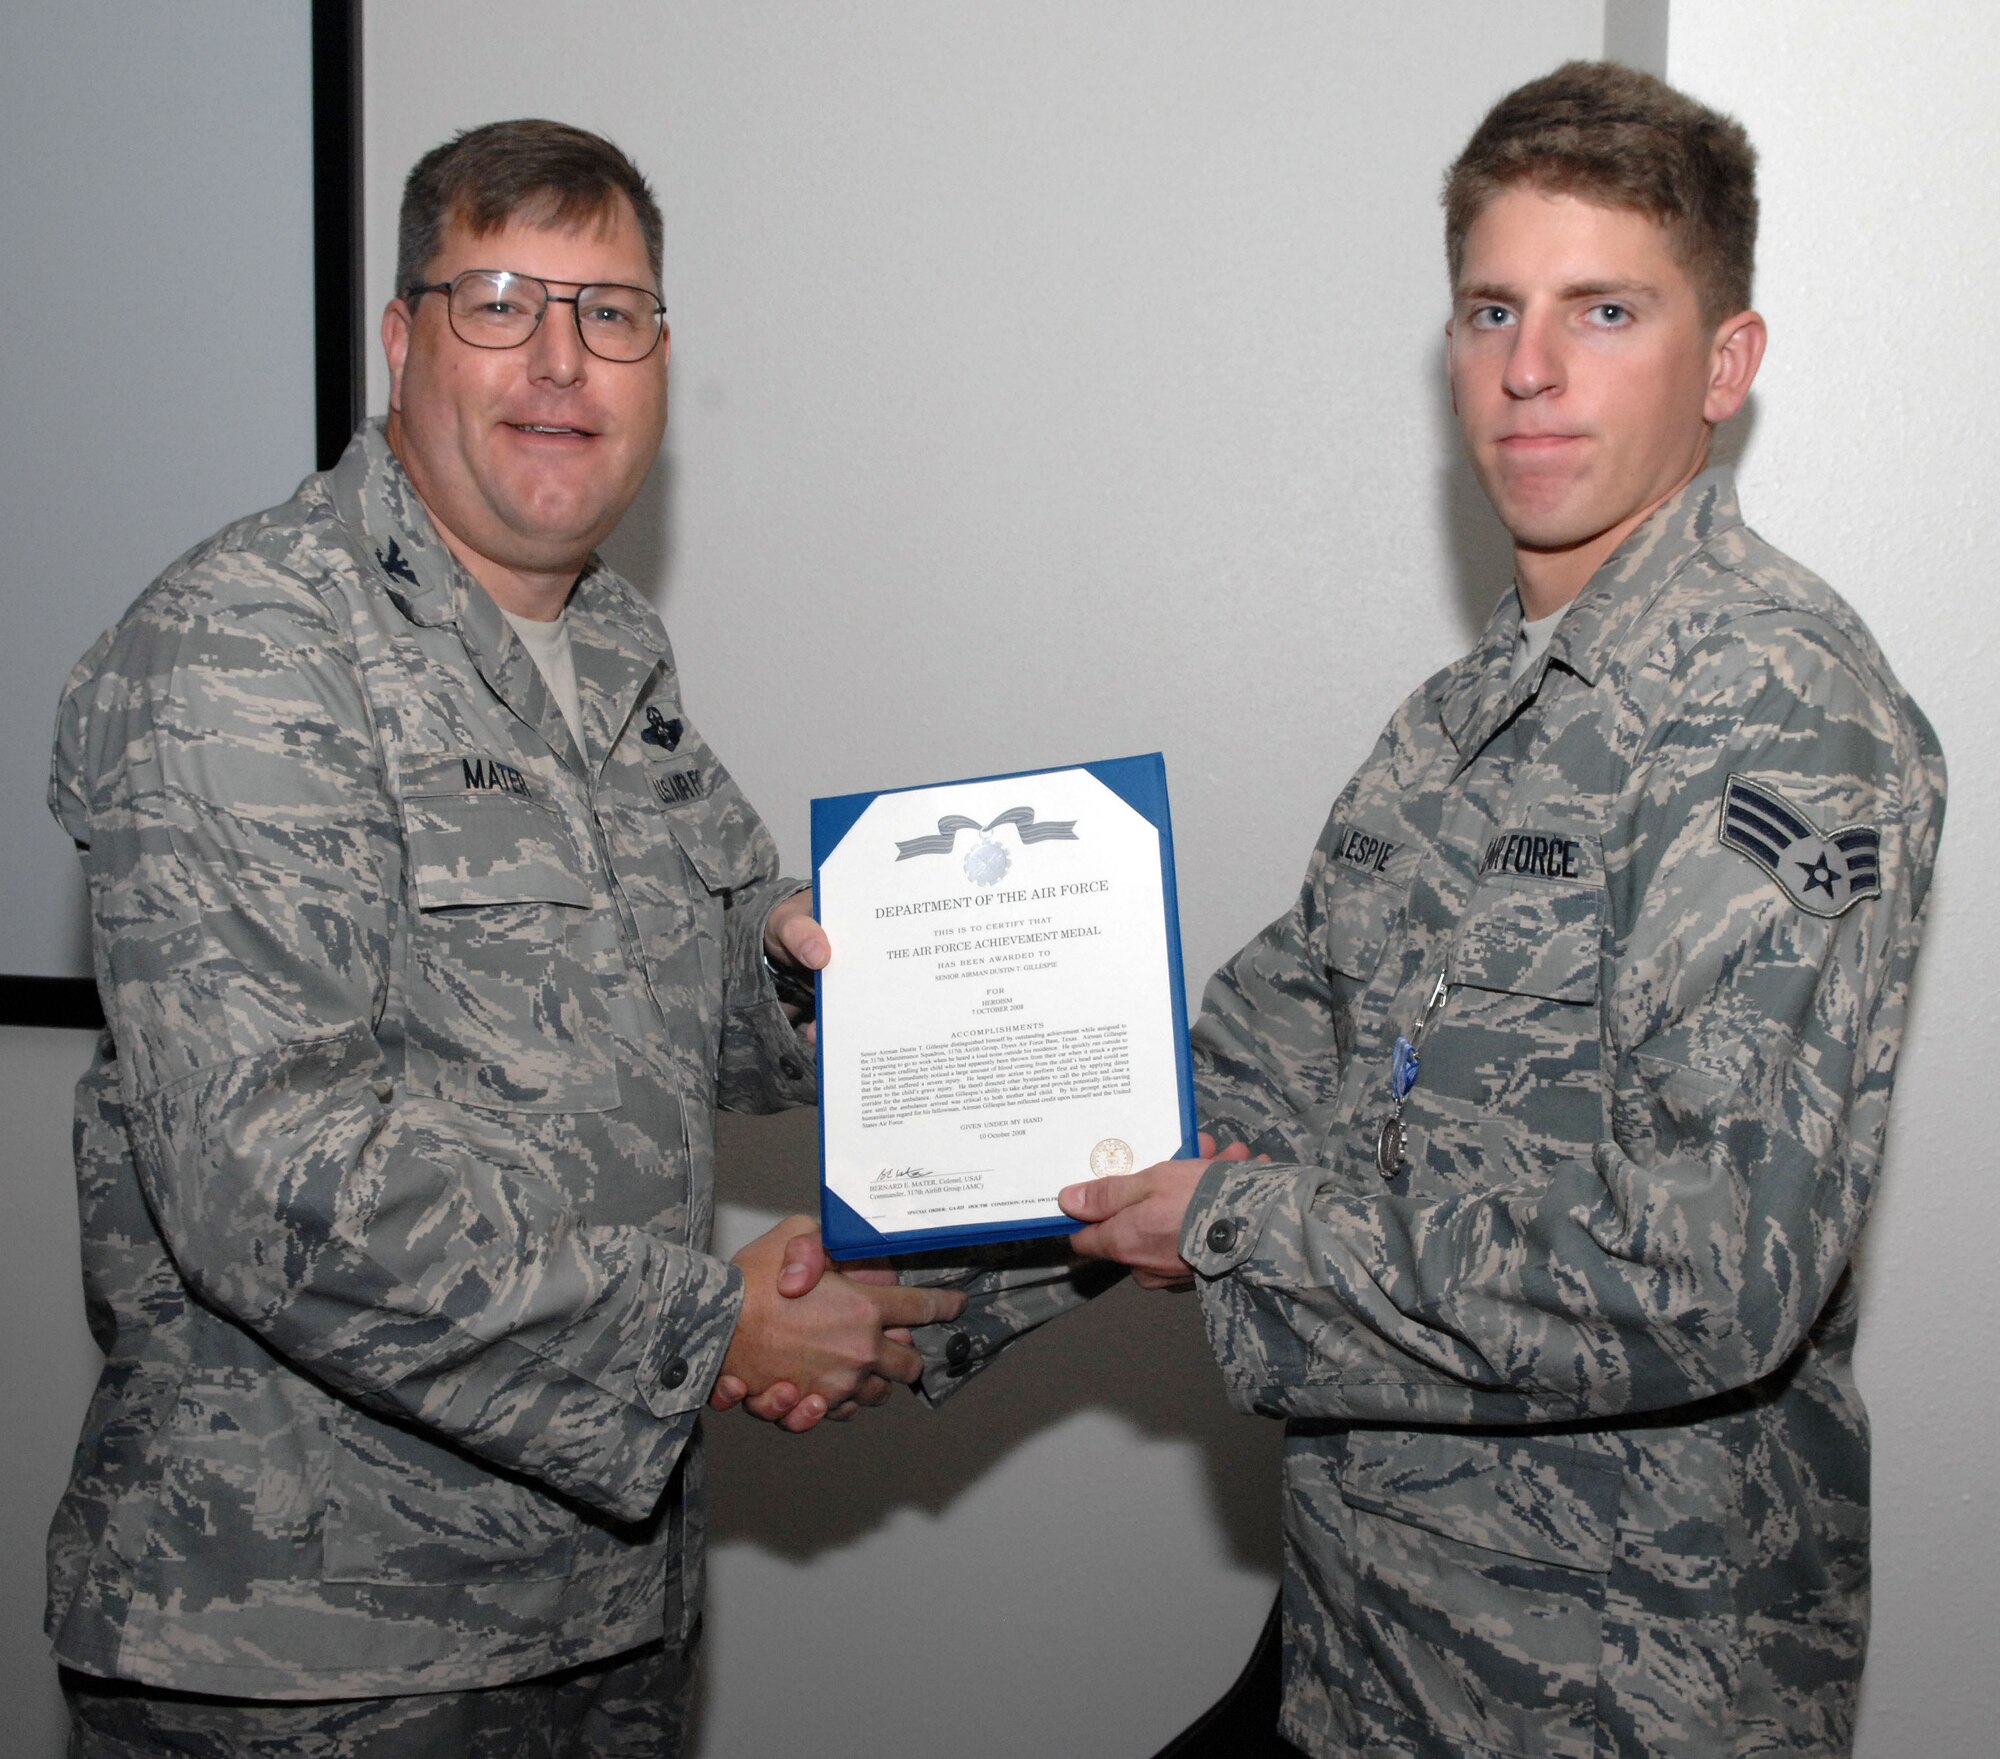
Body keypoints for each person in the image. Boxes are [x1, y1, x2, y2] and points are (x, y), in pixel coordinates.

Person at [738, 60, 1946, 1757]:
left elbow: (1702, 1272)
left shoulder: (1782, 718)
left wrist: (1224, 1235)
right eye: (1491, 310)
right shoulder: (1450, 736)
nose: (1530, 370)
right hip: (1367, 1643)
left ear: (1726, 366)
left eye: (1605, 310)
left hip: (1616, 1690)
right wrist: (893, 1285)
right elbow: (1223, 1094)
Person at [47, 119, 958, 1757]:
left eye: (613, 312)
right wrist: (706, 1327)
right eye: (500, 302)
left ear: (661, 360)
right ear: (401, 339)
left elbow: (718, 984)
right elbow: (272, 1181)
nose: (561, 359)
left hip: (599, 1606)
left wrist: (943, 977)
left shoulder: (606, 642)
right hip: (311, 1653)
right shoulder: (244, 645)